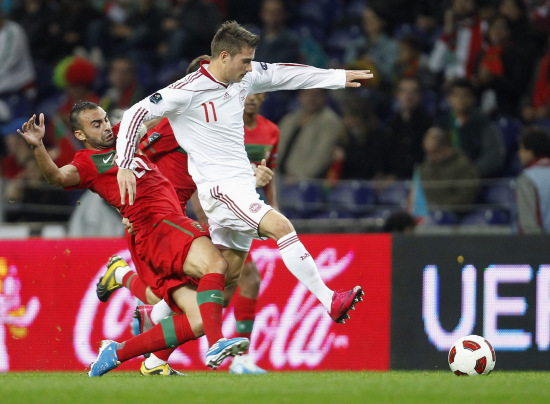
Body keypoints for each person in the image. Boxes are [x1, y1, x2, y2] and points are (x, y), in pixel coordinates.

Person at [115, 21, 367, 333]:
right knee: (281, 226)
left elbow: (284, 74)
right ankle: (329, 300)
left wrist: (337, 78)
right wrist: (124, 164)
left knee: (223, 282)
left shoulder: (243, 78)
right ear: (224, 57)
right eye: (245, 61)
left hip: (242, 189)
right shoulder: (187, 90)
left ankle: (152, 318)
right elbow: (134, 114)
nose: (250, 68)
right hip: (220, 191)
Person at [17, 102, 252, 376]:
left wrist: (186, 101)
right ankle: (216, 342)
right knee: (217, 264)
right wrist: (38, 146)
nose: (106, 127)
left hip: (162, 231)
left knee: (198, 320)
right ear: (80, 134)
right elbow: (57, 177)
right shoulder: (87, 162)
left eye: (105, 120)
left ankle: (117, 352)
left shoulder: (123, 135)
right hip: (159, 225)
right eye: (96, 124)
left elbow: (154, 116)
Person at [436, 78, 505, 178]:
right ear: (449, 98)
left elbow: (493, 156)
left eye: (465, 95)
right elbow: (433, 152)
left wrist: (470, 172)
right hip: (446, 179)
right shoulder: (441, 124)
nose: (461, 99)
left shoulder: (483, 123)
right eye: (456, 95)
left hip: (475, 179)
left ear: (472, 99)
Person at [277, 88, 344, 180]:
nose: (311, 98)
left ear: (325, 96)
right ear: (300, 96)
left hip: (306, 182)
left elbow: (322, 156)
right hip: (279, 179)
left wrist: (299, 177)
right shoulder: (289, 119)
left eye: (317, 94)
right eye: (307, 93)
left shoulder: (330, 122)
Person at [419, 126, 479, 209]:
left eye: (435, 151)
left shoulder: (463, 164)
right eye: (428, 153)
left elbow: (466, 197)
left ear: (445, 147)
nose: (431, 157)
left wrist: (442, 207)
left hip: (457, 213)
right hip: (432, 213)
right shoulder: (426, 167)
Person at [516, 126, 550, 234]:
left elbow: (529, 228)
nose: (519, 153)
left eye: (521, 148)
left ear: (530, 151)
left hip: (542, 243)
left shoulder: (527, 179)